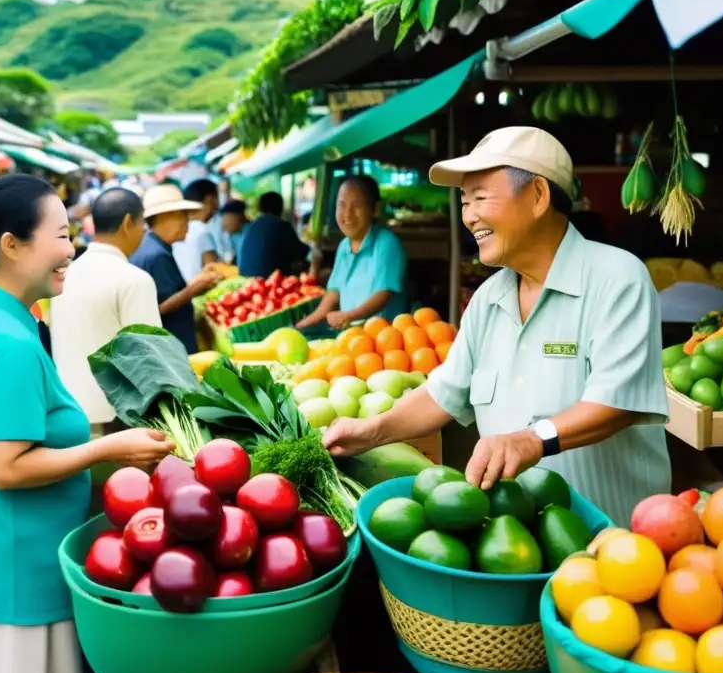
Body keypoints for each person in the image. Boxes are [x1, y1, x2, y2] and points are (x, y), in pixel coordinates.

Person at [322, 127, 670, 526]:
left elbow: (617, 402)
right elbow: (443, 394)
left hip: (617, 550)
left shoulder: (617, 278)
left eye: (481, 197)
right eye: (465, 201)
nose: (469, 216)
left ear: (538, 196)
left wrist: (531, 439)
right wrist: (372, 431)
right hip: (516, 547)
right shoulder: (488, 299)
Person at [0, 174, 175, 673]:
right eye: (61, 236)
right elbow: (7, 467)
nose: (71, 251)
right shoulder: (9, 342)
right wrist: (107, 449)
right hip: (17, 572)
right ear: (11, 245)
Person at [50, 185, 161, 434]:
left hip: (69, 416)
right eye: (142, 223)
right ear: (127, 222)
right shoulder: (134, 279)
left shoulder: (65, 276)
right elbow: (150, 361)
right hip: (117, 423)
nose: (144, 231)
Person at [297, 176, 407, 331]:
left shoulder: (387, 243)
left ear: (374, 210)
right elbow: (334, 292)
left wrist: (349, 316)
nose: (347, 214)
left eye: (356, 206)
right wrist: (303, 324)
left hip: (385, 338)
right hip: (351, 336)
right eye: (341, 205)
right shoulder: (344, 246)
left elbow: (384, 294)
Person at [131, 184, 219, 354]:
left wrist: (199, 284)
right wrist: (194, 288)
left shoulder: (155, 248)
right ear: (164, 217)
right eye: (182, 216)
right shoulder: (156, 255)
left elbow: (171, 293)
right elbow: (159, 308)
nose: (187, 222)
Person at [238, 191, 309, 278]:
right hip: (269, 282)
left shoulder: (251, 226)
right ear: (281, 207)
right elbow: (299, 252)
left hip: (245, 279)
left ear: (260, 208)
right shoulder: (281, 225)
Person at [173, 178, 220, 282]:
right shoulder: (201, 231)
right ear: (210, 199)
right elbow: (215, 270)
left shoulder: (175, 232)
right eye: (217, 197)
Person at [209, 199, 248, 263]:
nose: (223, 223)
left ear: (238, 216)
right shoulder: (234, 235)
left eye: (227, 217)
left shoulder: (251, 233)